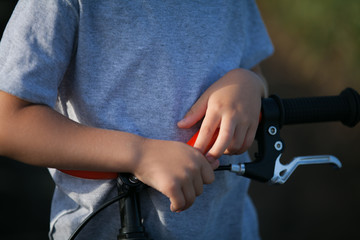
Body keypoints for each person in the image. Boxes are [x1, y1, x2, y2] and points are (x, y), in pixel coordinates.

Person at [0, 0, 273, 239]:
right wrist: (140, 154)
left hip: (232, 228)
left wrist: (249, 83)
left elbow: (255, 71)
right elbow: (8, 120)